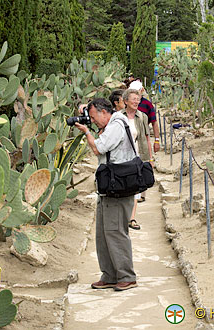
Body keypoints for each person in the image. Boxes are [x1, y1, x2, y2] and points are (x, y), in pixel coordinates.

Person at [74, 98, 137, 291]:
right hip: (108, 186)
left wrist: (86, 132)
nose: (91, 121)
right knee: (103, 233)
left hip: (118, 187)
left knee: (116, 231)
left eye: (93, 117)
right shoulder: (111, 125)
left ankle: (126, 276)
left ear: (104, 112)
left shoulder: (117, 124)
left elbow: (99, 148)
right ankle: (109, 275)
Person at [120, 89, 153, 230]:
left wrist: (149, 158)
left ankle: (131, 218)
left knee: (135, 186)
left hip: (137, 155)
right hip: (121, 156)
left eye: (138, 99)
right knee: (123, 185)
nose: (136, 102)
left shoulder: (142, 117)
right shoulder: (118, 116)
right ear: (125, 101)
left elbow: (146, 137)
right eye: (133, 99)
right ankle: (122, 216)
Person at [128, 80, 160, 155]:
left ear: (141, 90)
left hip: (143, 138)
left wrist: (157, 140)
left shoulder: (147, 104)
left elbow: (154, 122)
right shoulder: (126, 103)